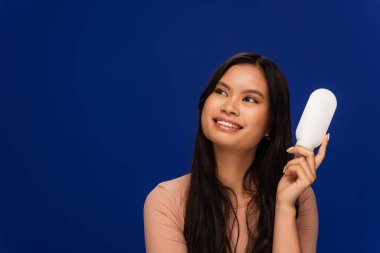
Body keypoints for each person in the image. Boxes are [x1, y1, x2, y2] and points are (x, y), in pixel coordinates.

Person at [143, 52, 329, 253]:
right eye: (222, 92)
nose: (229, 107)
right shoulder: (166, 201)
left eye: (249, 99)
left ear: (271, 125)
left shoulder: (299, 197)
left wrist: (284, 206)